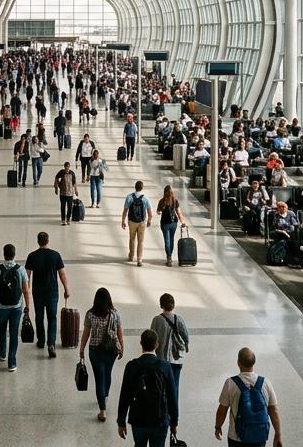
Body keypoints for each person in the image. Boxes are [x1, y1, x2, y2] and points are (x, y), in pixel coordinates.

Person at [116, 329, 179, 447]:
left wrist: (121, 421)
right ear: (157, 345)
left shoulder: (132, 366)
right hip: (160, 420)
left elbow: (125, 395)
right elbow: (172, 396)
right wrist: (174, 423)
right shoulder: (165, 367)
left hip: (138, 420)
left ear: (141, 344)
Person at [214, 347, 282, 447]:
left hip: (236, 437)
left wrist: (218, 427)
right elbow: (274, 410)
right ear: (254, 362)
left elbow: (222, 410)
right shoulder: (265, 383)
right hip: (259, 436)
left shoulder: (230, 383)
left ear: (238, 363)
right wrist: (278, 434)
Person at [79, 287, 125, 422]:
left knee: (99, 378)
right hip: (111, 350)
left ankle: (102, 410)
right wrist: (122, 347)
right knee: (107, 374)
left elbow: (86, 333)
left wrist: (81, 349)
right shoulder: (115, 314)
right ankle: (105, 396)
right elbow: (119, 332)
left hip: (95, 350)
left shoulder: (90, 314)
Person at [24, 232, 69, 357]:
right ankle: (51, 344)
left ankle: (41, 341)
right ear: (48, 241)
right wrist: (67, 289)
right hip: (52, 292)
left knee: (39, 317)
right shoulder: (55, 255)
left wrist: (27, 290)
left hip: (38, 292)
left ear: (38, 241)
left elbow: (27, 276)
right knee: (52, 317)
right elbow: (62, 274)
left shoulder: (32, 256)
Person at [149, 292, 189, 429]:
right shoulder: (179, 319)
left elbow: (151, 337)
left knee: (161, 385)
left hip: (162, 360)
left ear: (161, 305)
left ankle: (161, 410)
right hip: (177, 359)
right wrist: (186, 347)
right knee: (174, 387)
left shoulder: (156, 320)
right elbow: (185, 335)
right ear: (173, 305)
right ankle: (173, 415)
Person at [0, 243, 30, 372]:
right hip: (16, 307)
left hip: (1, 306)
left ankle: (2, 353)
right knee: (13, 333)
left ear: (4, 255)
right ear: (14, 255)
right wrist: (27, 306)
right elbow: (26, 290)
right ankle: (12, 362)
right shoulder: (21, 270)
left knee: (2, 329)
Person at [121, 180, 153, 267]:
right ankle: (139, 259)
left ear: (135, 187)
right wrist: (149, 220)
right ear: (142, 188)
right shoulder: (145, 198)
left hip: (132, 222)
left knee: (132, 239)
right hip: (141, 222)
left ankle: (131, 256)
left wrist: (123, 221)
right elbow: (150, 212)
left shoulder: (129, 197)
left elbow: (125, 210)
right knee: (140, 241)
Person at [157, 185, 186, 267]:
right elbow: (179, 213)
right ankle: (170, 256)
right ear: (172, 192)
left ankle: (169, 257)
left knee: (167, 240)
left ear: (164, 192)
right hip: (173, 223)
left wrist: (160, 212)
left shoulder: (162, 201)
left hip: (164, 223)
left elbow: (158, 211)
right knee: (171, 239)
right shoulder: (175, 201)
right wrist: (182, 222)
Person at [54, 161, 79, 226]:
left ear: (69, 167)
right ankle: (63, 219)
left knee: (70, 207)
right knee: (63, 206)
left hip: (70, 193)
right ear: (64, 167)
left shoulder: (72, 173)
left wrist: (76, 190)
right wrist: (56, 187)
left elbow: (74, 182)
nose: (67, 168)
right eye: (66, 167)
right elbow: (56, 178)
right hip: (63, 193)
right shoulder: (61, 172)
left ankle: (68, 219)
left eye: (68, 167)